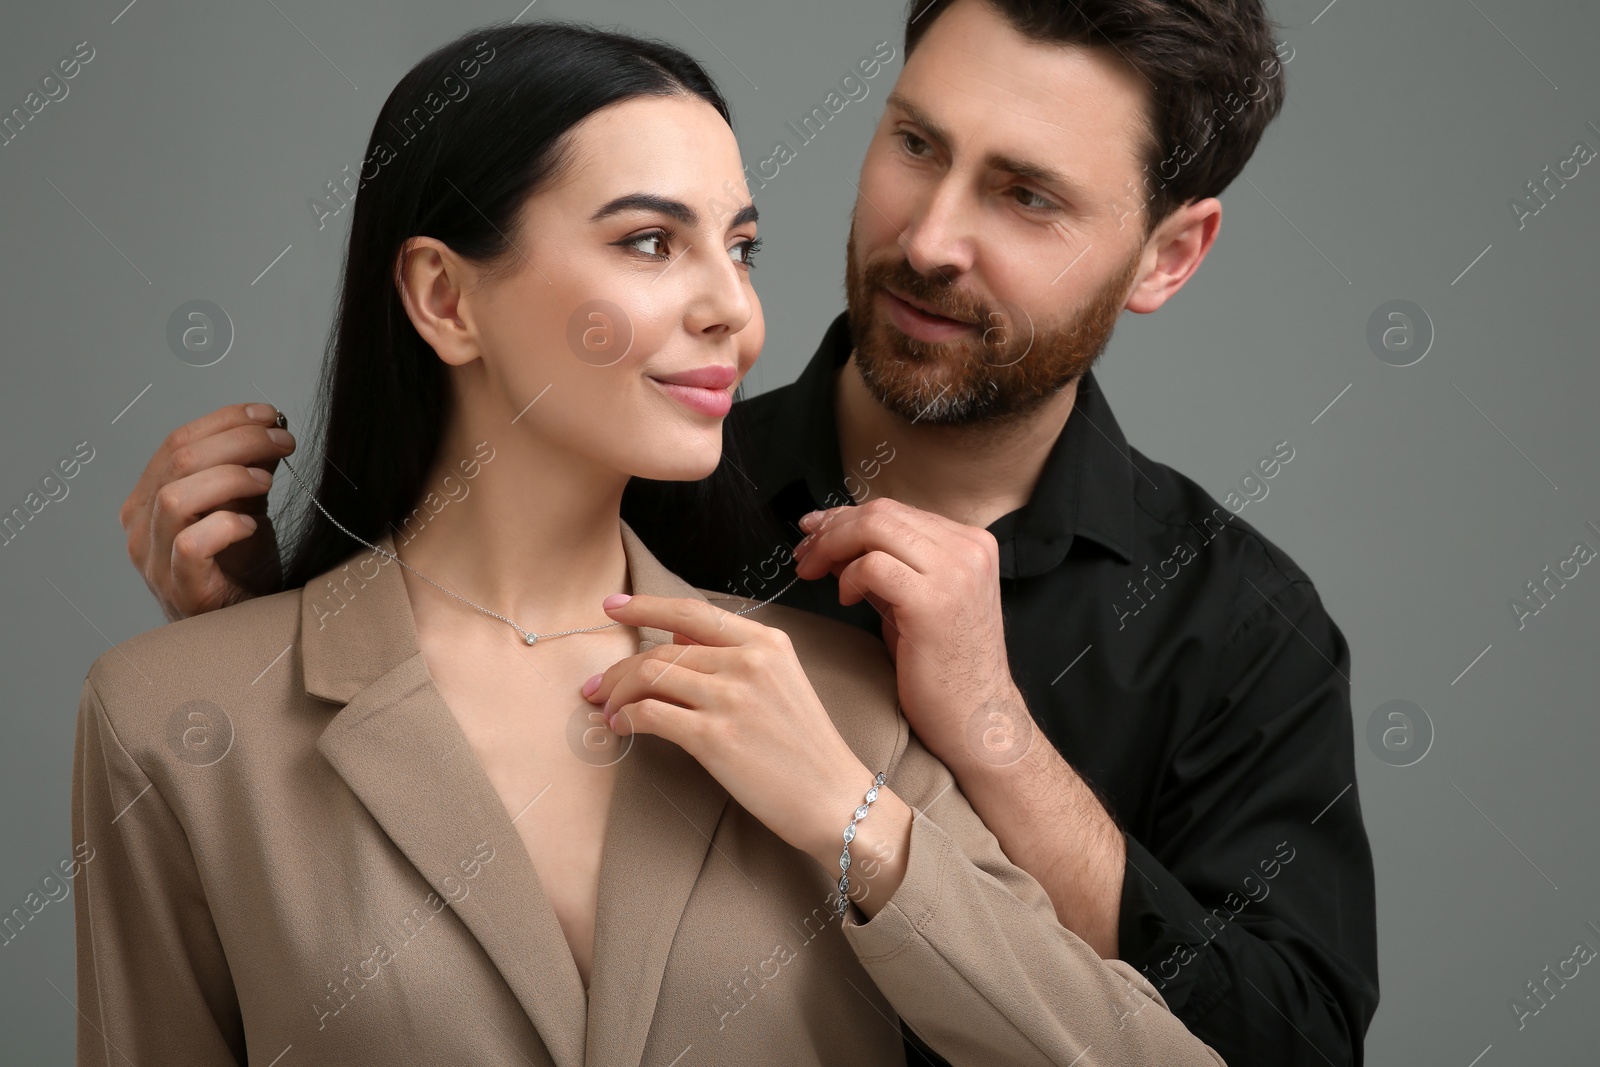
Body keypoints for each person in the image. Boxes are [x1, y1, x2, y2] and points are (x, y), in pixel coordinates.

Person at [118, 1, 1379, 1065]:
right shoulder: (624, 462)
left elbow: (1284, 1042)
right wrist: (251, 658)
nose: (930, 239)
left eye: (1027, 196)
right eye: (915, 143)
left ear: (1169, 255)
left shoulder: (1242, 631)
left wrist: (978, 736)